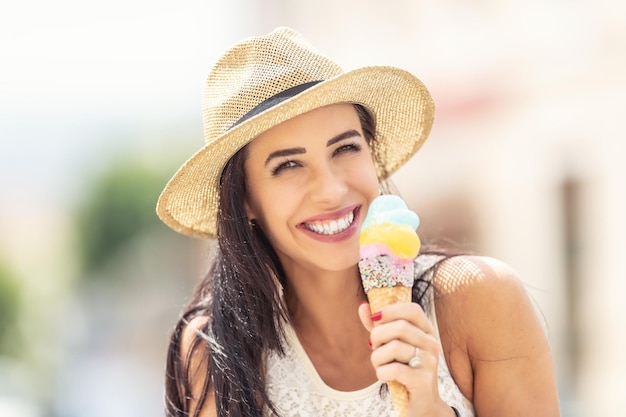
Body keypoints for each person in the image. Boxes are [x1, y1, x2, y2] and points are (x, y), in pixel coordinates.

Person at [156, 27, 560, 417]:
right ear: (245, 200)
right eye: (289, 165)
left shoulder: (478, 300)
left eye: (346, 148)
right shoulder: (217, 350)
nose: (331, 190)